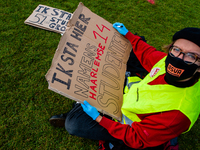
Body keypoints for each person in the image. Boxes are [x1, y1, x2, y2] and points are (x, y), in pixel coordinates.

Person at [49, 23, 200, 150]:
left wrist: (100, 119)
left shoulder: (177, 114)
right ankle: (83, 106)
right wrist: (128, 35)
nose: (179, 58)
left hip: (130, 126)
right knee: (127, 51)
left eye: (191, 56)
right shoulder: (166, 60)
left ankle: (80, 109)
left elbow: (137, 138)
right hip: (128, 96)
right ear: (171, 48)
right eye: (177, 50)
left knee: (74, 124)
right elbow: (148, 54)